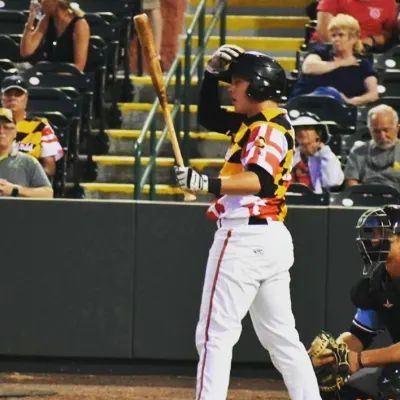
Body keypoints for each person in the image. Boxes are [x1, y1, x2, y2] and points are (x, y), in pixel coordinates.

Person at [174, 50, 322, 400]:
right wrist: (211, 74)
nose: (232, 89)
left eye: (237, 82)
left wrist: (204, 184)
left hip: (244, 236)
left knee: (213, 336)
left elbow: (260, 181)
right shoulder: (256, 123)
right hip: (267, 238)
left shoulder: (268, 128)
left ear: (258, 86)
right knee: (282, 338)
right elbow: (209, 116)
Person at [316, 204, 400, 399]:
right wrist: (336, 355)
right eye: (374, 233)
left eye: (384, 234)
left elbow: (360, 357)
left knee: (395, 381)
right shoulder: (378, 282)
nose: (375, 239)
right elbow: (359, 335)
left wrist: (360, 360)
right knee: (337, 384)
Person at [291, 13, 379, 106]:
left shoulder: (362, 64)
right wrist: (341, 63)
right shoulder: (321, 52)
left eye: (341, 35)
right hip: (306, 107)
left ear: (354, 38)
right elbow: (308, 68)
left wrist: (350, 101)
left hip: (340, 112)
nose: (336, 39)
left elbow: (373, 94)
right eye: (333, 35)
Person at [1, 75, 63, 177]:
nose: (12, 98)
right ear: (1, 97)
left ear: (26, 97)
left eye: (18, 94)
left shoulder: (40, 125)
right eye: (8, 94)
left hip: (27, 183)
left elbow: (49, 169)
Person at [20, 0, 90, 72]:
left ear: (55, 1)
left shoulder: (79, 24)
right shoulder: (46, 19)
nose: (38, 3)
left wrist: (56, 77)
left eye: (41, 0)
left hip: (69, 77)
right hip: (50, 74)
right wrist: (31, 17)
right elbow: (26, 51)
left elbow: (79, 67)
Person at [344, 104, 400, 192]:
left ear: (397, 127)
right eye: (376, 131)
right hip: (365, 200)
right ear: (370, 130)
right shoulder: (358, 151)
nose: (382, 135)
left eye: (386, 130)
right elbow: (351, 182)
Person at [0, 107, 53, 198]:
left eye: (7, 127)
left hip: (15, 211)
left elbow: (48, 194)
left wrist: (14, 190)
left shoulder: (28, 162)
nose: (1, 131)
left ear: (15, 133)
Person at [291, 111, 344, 193]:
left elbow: (332, 182)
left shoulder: (327, 156)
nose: (302, 131)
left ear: (318, 134)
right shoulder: (289, 154)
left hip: (316, 201)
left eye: (307, 127)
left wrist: (323, 151)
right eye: (298, 128)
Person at [312, 0, 397, 51]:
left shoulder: (389, 2)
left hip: (369, 50)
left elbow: (388, 34)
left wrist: (372, 40)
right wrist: (346, 51)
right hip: (329, 48)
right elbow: (325, 33)